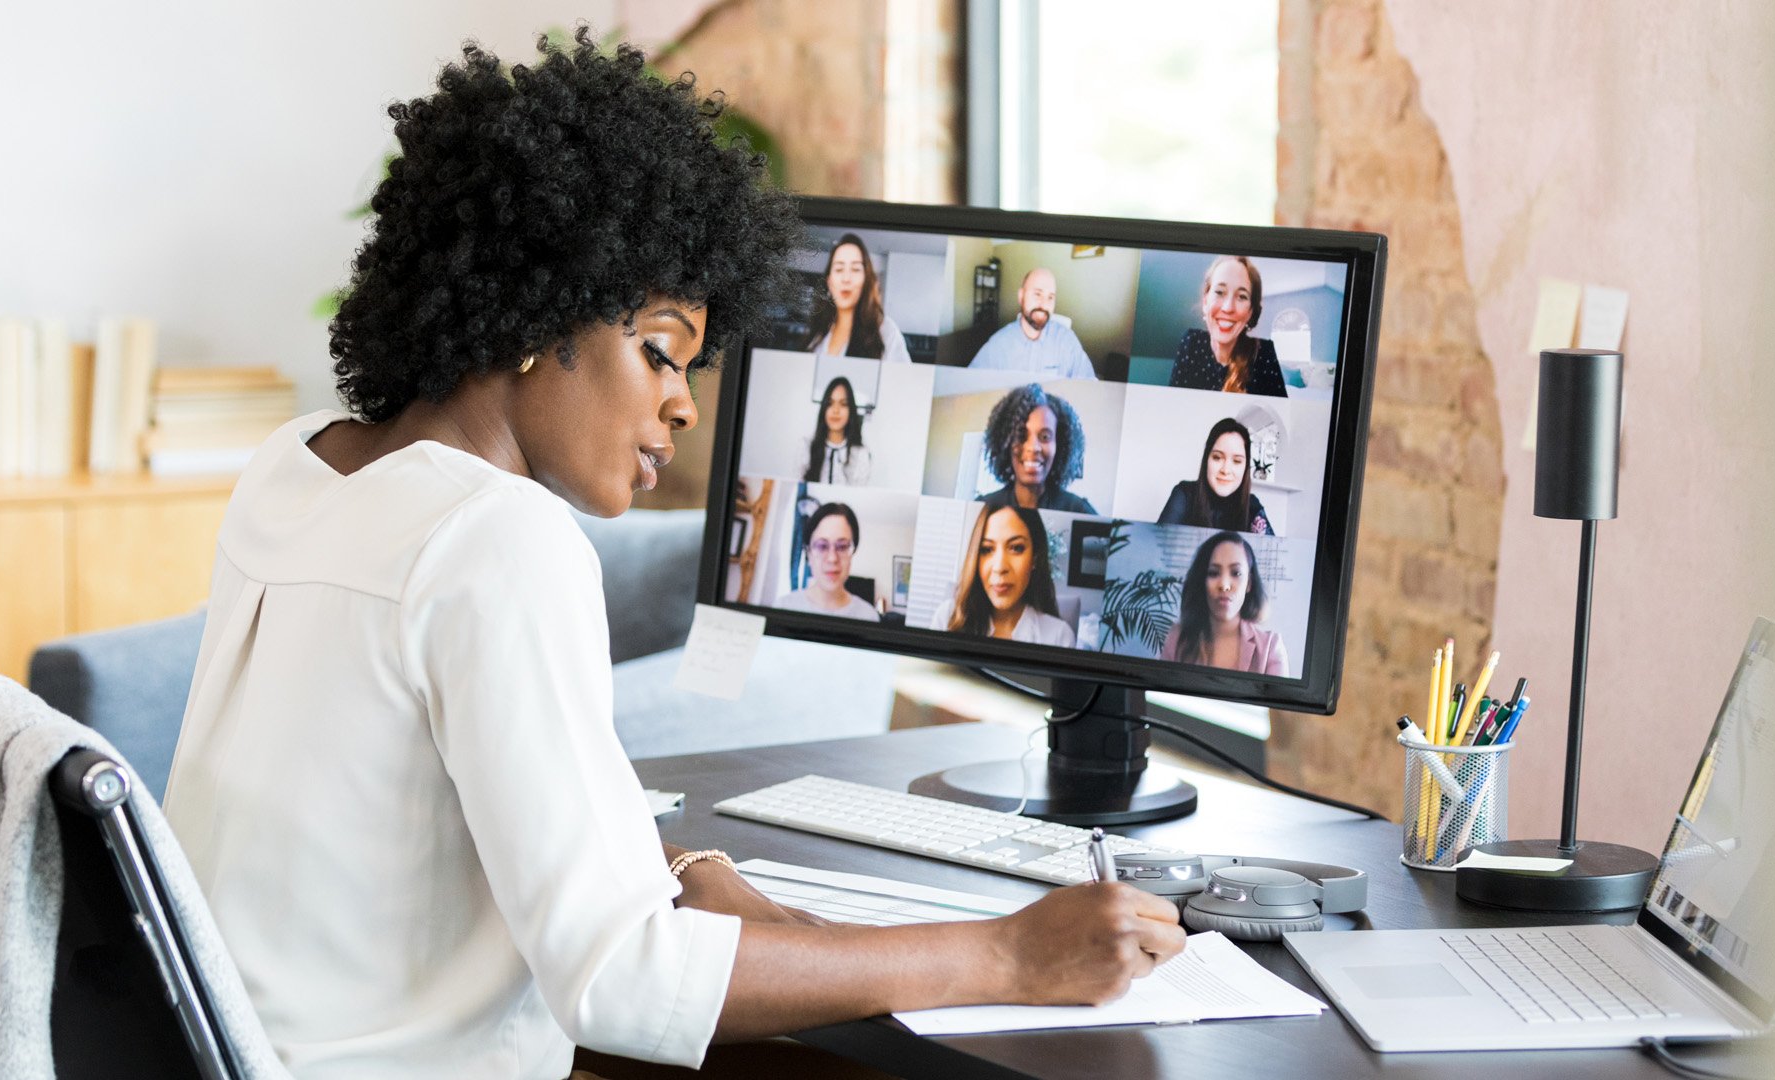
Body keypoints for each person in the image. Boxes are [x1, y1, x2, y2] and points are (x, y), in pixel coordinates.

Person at [161, 33, 1184, 1079]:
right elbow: (624, 982)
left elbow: (451, 803)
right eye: (657, 352)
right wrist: (1006, 953)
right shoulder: (496, 538)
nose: (684, 405)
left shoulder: (296, 466)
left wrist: (683, 862)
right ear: (537, 315)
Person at [929, 504, 1076, 646]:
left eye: (1016, 548)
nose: (999, 567)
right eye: (987, 549)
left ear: (1034, 558)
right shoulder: (947, 618)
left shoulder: (1059, 636)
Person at [1162, 531, 1289, 675]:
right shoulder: (1176, 639)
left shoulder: (1270, 648)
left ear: (1249, 583)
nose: (1224, 585)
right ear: (1202, 581)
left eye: (1236, 573)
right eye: (1213, 573)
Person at [1167, 255, 1289, 397]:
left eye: (1242, 296)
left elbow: (1279, 410)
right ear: (1205, 302)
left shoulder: (1264, 354)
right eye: (1219, 292)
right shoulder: (1192, 342)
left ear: (1250, 312)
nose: (1228, 307)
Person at [974, 383, 1098, 514]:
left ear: (1059, 445)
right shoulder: (982, 508)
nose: (1033, 447)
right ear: (1005, 443)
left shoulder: (1078, 511)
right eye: (1021, 435)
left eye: (1045, 437)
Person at [967, 267, 1097, 379]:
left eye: (1050, 297)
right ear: (1021, 296)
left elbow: (1089, 384)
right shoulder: (999, 344)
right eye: (1037, 294)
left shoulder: (1067, 341)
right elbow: (971, 384)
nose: (1044, 304)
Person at [1156, 417, 1275, 535]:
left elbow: (1272, 546)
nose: (1226, 470)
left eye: (1237, 461)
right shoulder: (1184, 494)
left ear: (1245, 467)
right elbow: (1158, 541)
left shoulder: (1252, 506)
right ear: (1206, 459)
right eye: (1217, 457)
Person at [806, 233, 912, 362]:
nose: (846, 279)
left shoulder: (885, 330)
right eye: (839, 269)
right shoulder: (820, 327)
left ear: (866, 280)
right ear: (829, 282)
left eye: (855, 269)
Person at [774, 502, 879, 620]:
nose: (832, 558)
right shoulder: (783, 608)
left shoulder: (869, 616)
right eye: (822, 546)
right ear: (809, 554)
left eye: (842, 547)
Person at [801, 376, 871, 485]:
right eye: (830, 403)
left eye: (843, 404)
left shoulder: (861, 454)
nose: (836, 410)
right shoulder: (806, 446)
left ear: (851, 410)